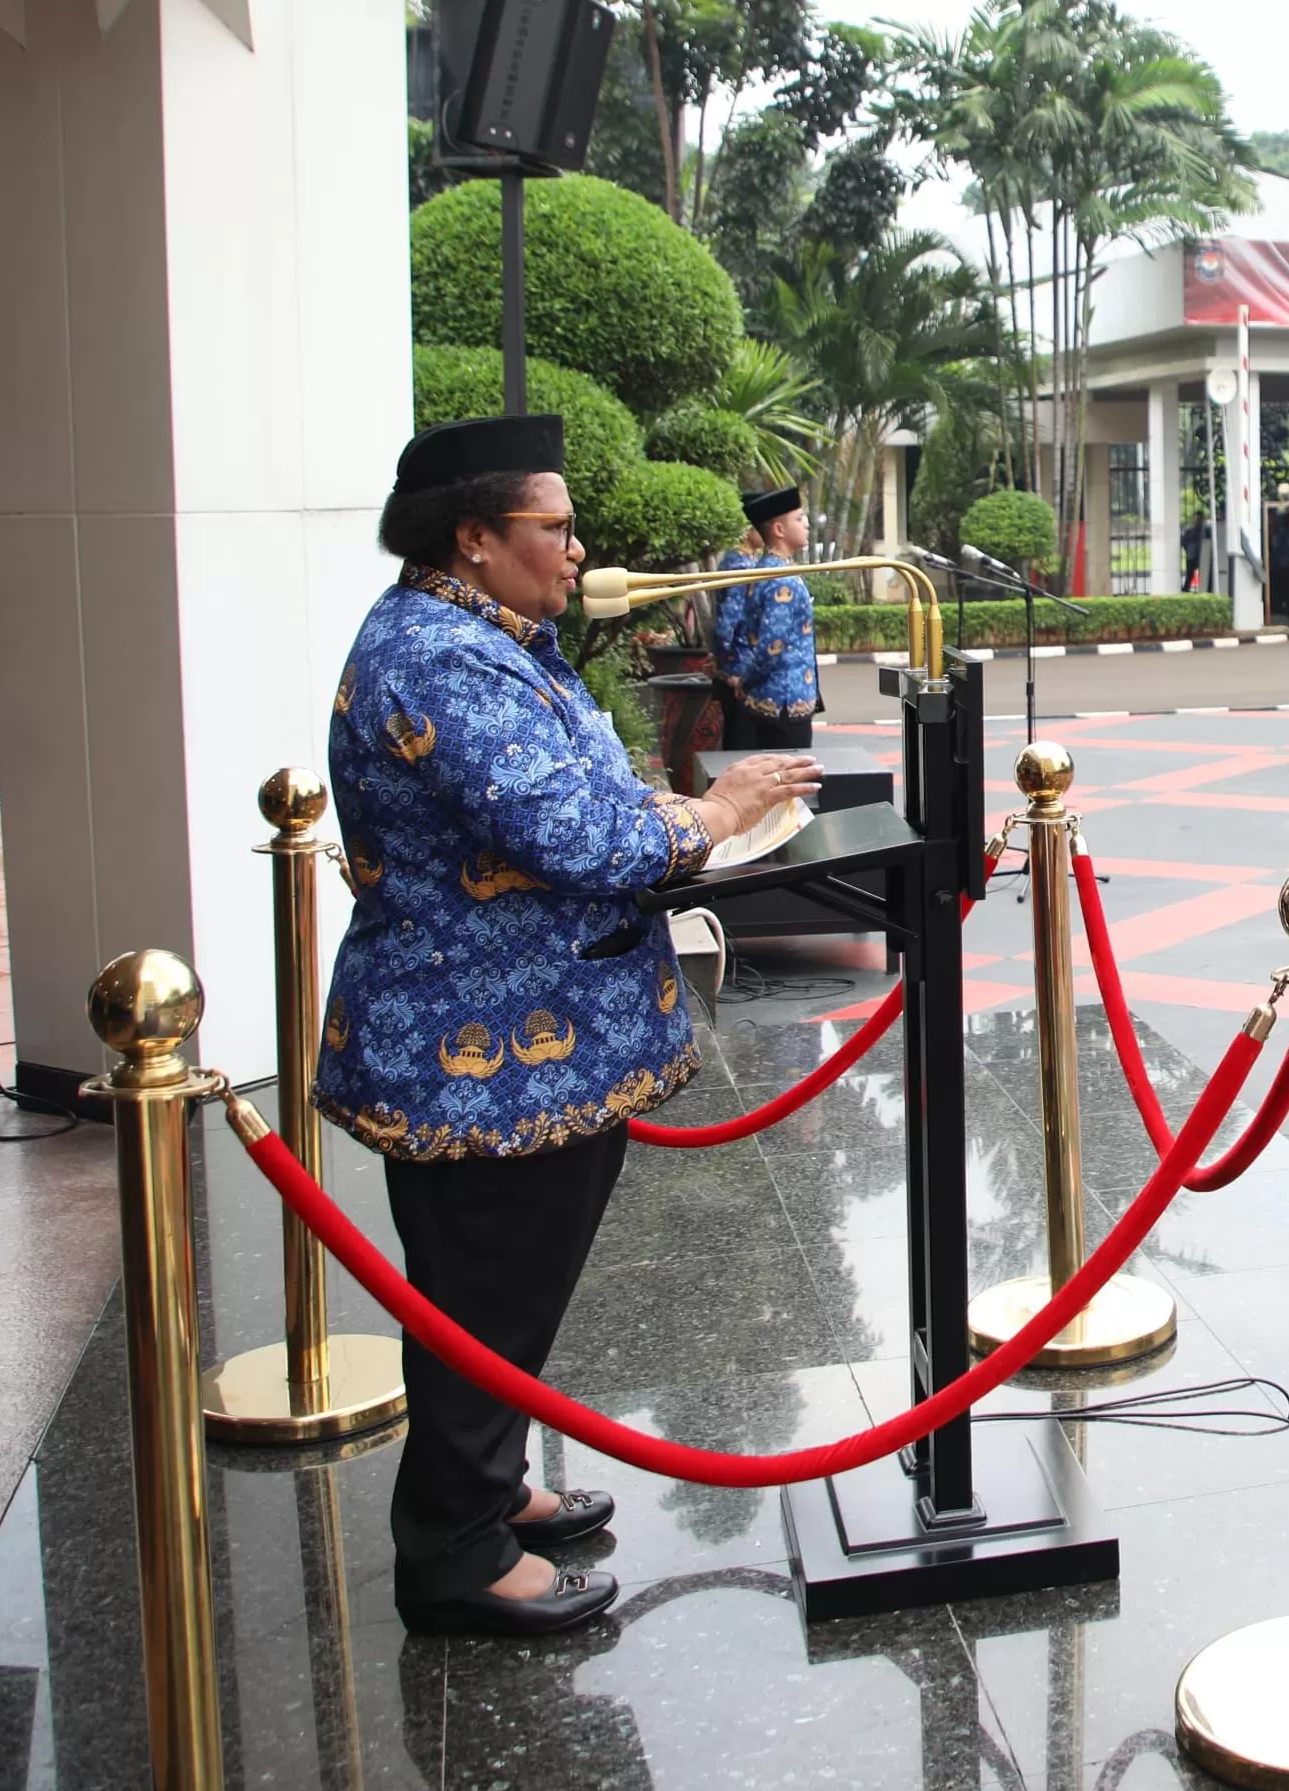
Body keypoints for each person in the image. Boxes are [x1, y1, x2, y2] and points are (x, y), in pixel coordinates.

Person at [320, 414, 820, 1636]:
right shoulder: (441, 659)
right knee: (483, 1296)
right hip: (480, 1052)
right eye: (551, 525)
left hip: (524, 1033)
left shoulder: (487, 638)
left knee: (501, 1294)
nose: (574, 545)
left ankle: (483, 1491)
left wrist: (676, 807)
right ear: (475, 538)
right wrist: (712, 811)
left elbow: (570, 793)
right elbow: (578, 839)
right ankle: (451, 1553)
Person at [714, 486, 819, 750]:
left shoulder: (768, 569)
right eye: (798, 518)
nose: (806, 524)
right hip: (782, 704)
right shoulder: (779, 579)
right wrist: (742, 679)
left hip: (776, 700)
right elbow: (772, 646)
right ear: (779, 530)